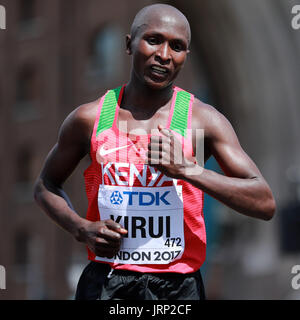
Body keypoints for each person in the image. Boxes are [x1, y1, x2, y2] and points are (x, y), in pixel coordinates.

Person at [34, 4, 276, 300]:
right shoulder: (90, 119)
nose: (164, 55)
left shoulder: (202, 122)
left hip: (177, 288)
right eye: (153, 40)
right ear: (128, 44)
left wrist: (189, 169)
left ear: (186, 56)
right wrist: (81, 228)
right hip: (107, 283)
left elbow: (263, 201)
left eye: (177, 46)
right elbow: (45, 185)